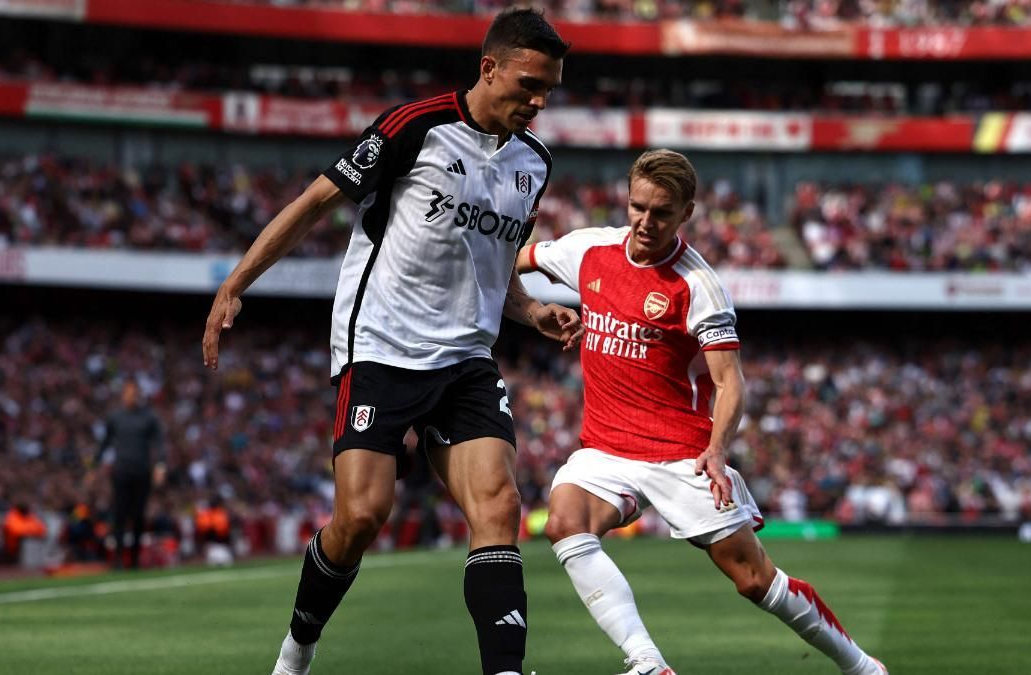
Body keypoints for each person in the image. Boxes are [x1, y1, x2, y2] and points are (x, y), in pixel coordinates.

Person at [200, 9, 576, 675]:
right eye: (529, 84)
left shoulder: (534, 163)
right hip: (382, 346)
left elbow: (496, 266)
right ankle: (297, 650)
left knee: (499, 505)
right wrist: (236, 283)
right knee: (362, 516)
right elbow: (315, 202)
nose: (539, 101)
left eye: (549, 89)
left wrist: (532, 311)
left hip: (467, 358)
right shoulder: (414, 126)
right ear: (488, 68)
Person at [517, 150, 887, 675]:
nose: (646, 222)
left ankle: (863, 667)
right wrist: (533, 310)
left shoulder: (699, 285)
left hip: (680, 454)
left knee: (754, 581)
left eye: (661, 213)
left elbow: (729, 382)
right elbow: (508, 257)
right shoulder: (589, 249)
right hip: (604, 449)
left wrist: (717, 450)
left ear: (686, 213)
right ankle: (648, 663)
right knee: (564, 522)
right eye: (638, 206)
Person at [97, 378, 166, 570]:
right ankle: (118, 558)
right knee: (119, 515)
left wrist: (160, 465)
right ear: (123, 395)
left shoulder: (149, 417)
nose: (131, 397)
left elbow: (159, 442)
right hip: (121, 472)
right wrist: (95, 465)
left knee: (138, 516)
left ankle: (134, 558)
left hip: (141, 472)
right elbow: (105, 442)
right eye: (128, 393)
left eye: (134, 393)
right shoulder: (115, 417)